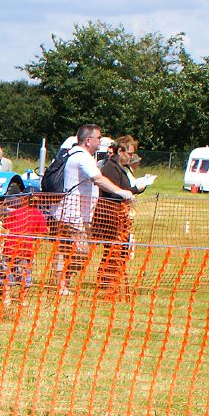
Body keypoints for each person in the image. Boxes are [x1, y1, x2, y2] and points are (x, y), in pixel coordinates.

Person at [53, 124, 136, 295]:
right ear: (89, 140)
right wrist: (120, 191)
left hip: (76, 213)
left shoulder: (76, 155)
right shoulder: (83, 158)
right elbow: (98, 179)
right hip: (72, 212)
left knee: (66, 249)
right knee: (80, 251)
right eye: (98, 138)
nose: (100, 142)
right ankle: (61, 284)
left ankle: (61, 284)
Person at [94, 135, 142, 295]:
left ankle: (108, 280)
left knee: (115, 249)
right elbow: (114, 192)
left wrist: (136, 189)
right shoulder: (110, 168)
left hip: (118, 214)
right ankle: (106, 282)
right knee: (113, 248)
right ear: (120, 151)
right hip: (110, 213)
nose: (131, 157)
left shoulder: (118, 167)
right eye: (129, 153)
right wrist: (133, 190)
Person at [0, 190, 47, 305]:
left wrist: (0, 243)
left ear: (23, 199)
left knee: (6, 273)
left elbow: (6, 228)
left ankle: (6, 298)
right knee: (25, 275)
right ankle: (22, 299)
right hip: (26, 250)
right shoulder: (39, 214)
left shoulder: (15, 212)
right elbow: (42, 234)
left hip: (9, 248)